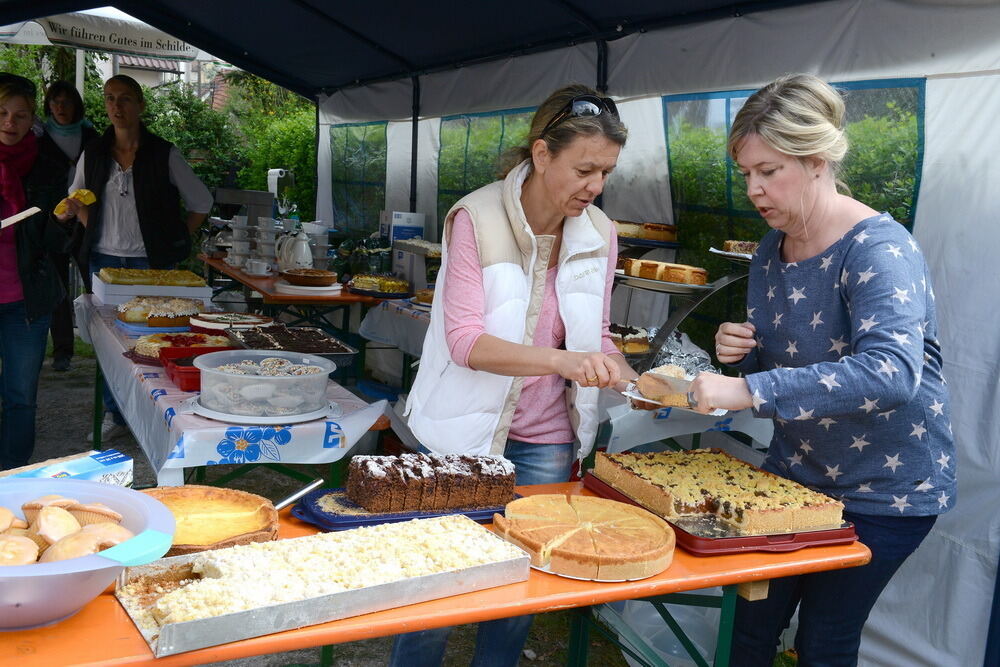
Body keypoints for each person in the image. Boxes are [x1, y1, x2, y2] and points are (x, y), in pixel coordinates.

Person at [685, 74, 956, 666]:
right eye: (746, 174)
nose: (755, 189)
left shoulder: (878, 249)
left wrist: (748, 386)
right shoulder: (768, 249)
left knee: (824, 641)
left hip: (887, 491)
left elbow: (891, 372)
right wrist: (744, 353)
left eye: (768, 171)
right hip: (794, 477)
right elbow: (792, 364)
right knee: (748, 628)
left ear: (815, 160)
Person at [396, 84, 637, 666]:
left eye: (605, 173)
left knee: (518, 584)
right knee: (436, 577)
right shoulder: (475, 218)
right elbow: (465, 342)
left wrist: (633, 382)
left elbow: (597, 335)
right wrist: (562, 360)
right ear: (541, 154)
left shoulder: (600, 233)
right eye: (584, 169)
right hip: (461, 432)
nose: (595, 187)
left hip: (548, 438)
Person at [57, 74, 213, 441]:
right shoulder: (93, 153)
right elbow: (75, 197)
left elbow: (200, 203)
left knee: (155, 342)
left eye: (125, 98)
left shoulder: (163, 153)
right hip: (105, 264)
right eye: (110, 98)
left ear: (140, 105)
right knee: (112, 346)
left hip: (151, 268)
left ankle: (156, 413)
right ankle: (118, 415)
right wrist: (87, 223)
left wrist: (174, 243)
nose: (116, 106)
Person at [0, 73, 75, 470]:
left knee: (20, 394)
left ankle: (10, 474)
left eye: (20, 115)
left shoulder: (46, 169)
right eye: (2, 113)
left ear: (34, 121)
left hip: (25, 302)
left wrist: (62, 220)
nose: (10, 123)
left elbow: (55, 245)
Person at [38, 81, 99, 372]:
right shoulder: (39, 136)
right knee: (58, 286)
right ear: (48, 105)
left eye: (66, 102)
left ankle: (105, 346)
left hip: (87, 219)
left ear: (76, 105)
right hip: (54, 220)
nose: (61, 108)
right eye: (55, 102)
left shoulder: (92, 136)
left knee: (95, 282)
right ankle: (63, 351)